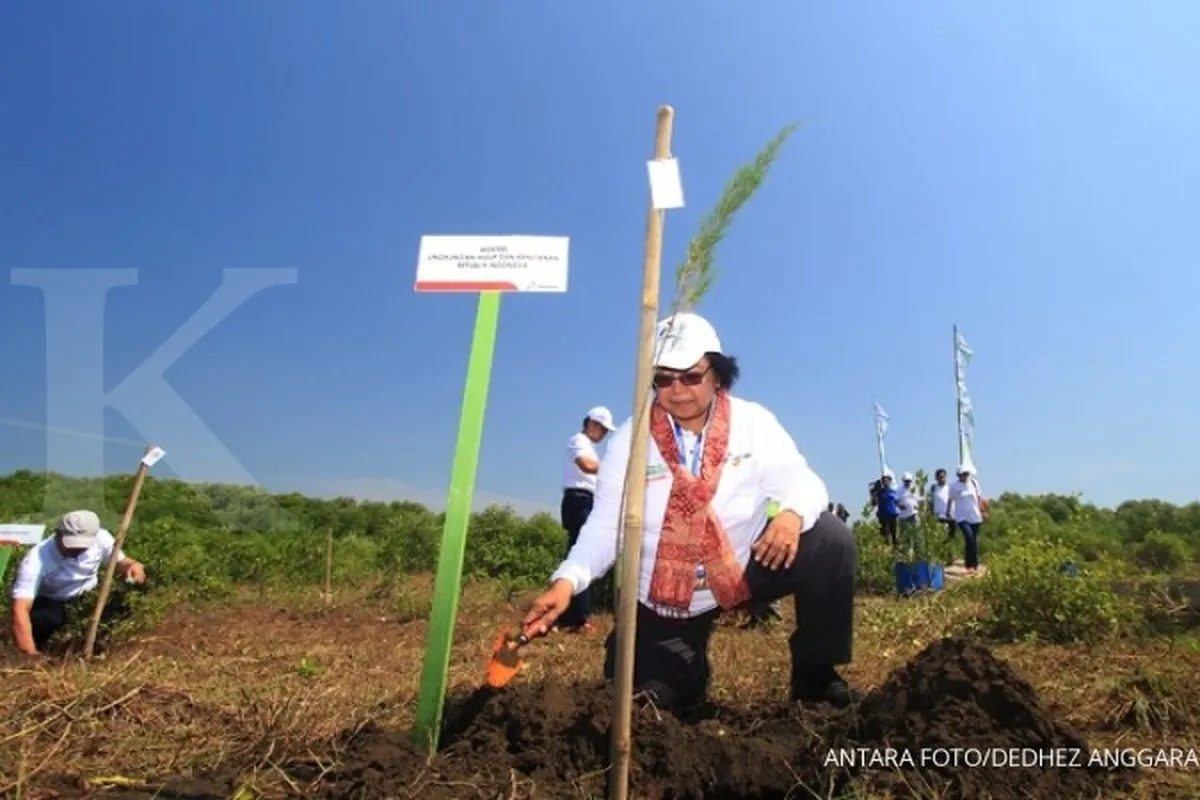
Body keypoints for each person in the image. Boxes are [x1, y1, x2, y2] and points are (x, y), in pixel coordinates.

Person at [522, 312, 858, 711]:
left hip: (746, 562)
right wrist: (566, 582)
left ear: (717, 375)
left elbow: (802, 481)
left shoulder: (753, 423)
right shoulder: (631, 440)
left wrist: (790, 516)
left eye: (691, 377)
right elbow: (605, 525)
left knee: (830, 541)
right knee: (650, 704)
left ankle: (815, 676)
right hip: (668, 596)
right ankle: (683, 665)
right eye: (664, 380)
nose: (678, 390)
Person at [9, 510, 146, 655]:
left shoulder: (101, 539)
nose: (76, 550)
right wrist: (30, 655)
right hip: (52, 601)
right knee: (47, 620)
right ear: (58, 535)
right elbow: (20, 609)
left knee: (119, 608)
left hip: (88, 596)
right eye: (71, 545)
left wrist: (132, 566)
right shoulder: (36, 561)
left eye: (82, 546)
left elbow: (120, 562)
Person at [557, 406, 617, 632]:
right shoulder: (579, 441)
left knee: (579, 554)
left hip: (586, 500)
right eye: (603, 429)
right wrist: (613, 467)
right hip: (578, 500)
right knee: (581, 555)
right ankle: (577, 618)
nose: (604, 434)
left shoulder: (589, 446)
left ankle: (570, 614)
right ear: (592, 424)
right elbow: (586, 465)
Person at [946, 464, 987, 574]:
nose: (965, 476)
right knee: (969, 538)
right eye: (963, 474)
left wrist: (983, 511)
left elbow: (979, 498)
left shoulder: (974, 483)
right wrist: (948, 511)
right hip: (961, 516)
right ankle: (969, 564)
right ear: (958, 475)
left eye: (966, 474)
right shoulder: (954, 486)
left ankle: (974, 563)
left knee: (974, 540)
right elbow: (950, 499)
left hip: (975, 515)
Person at [896, 472, 923, 561]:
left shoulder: (915, 488)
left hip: (914, 514)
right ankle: (905, 556)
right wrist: (900, 506)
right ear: (903, 481)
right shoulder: (899, 489)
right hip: (903, 516)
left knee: (917, 535)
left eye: (909, 481)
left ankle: (919, 555)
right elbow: (896, 501)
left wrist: (919, 507)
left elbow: (919, 499)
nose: (908, 482)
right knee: (905, 536)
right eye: (906, 481)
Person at [871, 470, 900, 549]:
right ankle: (885, 550)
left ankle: (895, 549)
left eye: (887, 480)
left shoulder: (894, 492)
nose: (886, 482)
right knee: (884, 535)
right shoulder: (879, 492)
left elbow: (898, 502)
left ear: (890, 481)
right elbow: (873, 503)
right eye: (884, 481)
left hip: (892, 515)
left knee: (894, 534)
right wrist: (873, 493)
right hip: (883, 516)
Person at [928, 468, 956, 540]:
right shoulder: (933, 488)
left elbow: (952, 499)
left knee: (950, 537)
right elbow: (930, 501)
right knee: (938, 536)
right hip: (938, 516)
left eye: (943, 477)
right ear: (936, 478)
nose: (942, 479)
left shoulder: (950, 487)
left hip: (949, 516)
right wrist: (930, 513)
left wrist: (949, 512)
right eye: (940, 477)